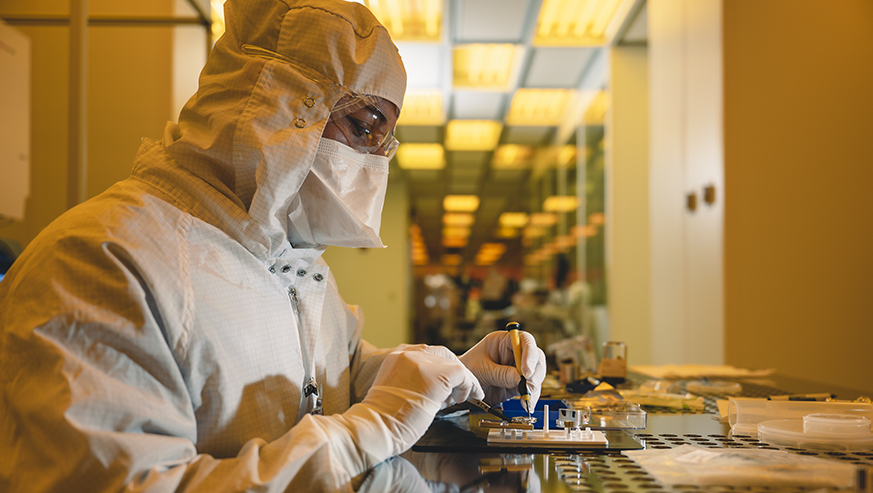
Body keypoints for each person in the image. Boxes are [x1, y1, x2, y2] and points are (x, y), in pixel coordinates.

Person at [0, 1, 546, 491]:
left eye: (385, 140)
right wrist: (363, 434)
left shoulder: (292, 263)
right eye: (364, 127)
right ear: (283, 106)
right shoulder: (102, 261)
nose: (377, 161)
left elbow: (333, 376)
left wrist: (454, 381)